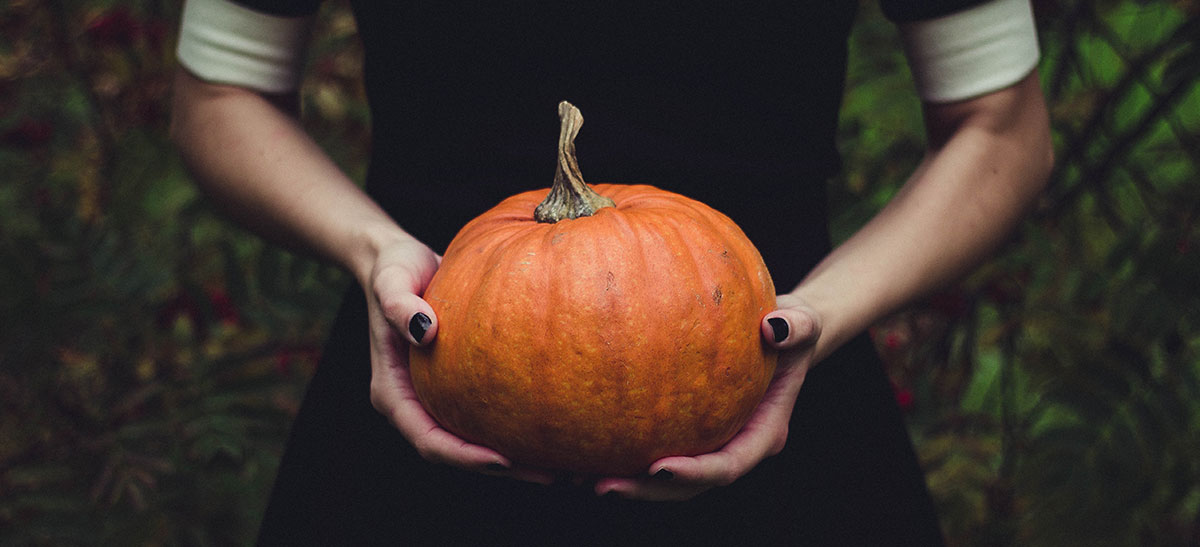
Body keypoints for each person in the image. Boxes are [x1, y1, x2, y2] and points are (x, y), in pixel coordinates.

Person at [170, 0, 1052, 544]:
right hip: (425, 374)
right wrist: (373, 251)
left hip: (771, 381)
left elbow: (1002, 125)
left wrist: (818, 312)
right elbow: (219, 95)